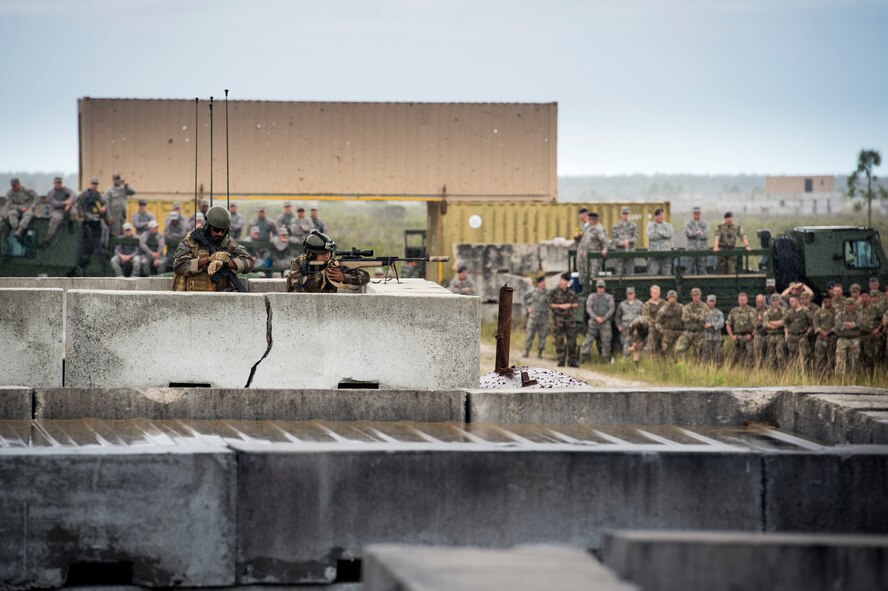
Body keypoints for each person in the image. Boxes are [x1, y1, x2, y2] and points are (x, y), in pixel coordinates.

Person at [172, 206, 255, 292]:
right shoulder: (190, 243)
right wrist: (209, 259)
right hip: (191, 298)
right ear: (207, 227)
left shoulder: (227, 244)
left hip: (219, 298)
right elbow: (179, 267)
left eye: (223, 231)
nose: (220, 234)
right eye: (216, 230)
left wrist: (225, 262)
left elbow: (249, 263)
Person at [286, 230, 370, 293]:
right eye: (323, 253)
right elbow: (299, 287)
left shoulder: (333, 263)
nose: (327, 255)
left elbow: (365, 277)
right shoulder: (299, 263)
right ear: (312, 254)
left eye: (329, 252)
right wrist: (324, 274)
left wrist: (343, 277)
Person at [75, 177, 110, 271]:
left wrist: (104, 208)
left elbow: (105, 203)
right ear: (90, 184)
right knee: (89, 238)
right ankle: (95, 249)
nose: (94, 186)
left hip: (95, 218)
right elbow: (78, 205)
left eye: (96, 184)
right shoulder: (84, 194)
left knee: (101, 231)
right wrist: (81, 216)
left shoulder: (97, 195)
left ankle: (100, 247)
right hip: (86, 219)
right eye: (93, 184)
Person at [580, 278, 615, 363]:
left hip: (605, 322)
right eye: (599, 287)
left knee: (606, 340)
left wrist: (604, 318)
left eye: (602, 287)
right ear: (596, 288)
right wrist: (596, 317)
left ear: (604, 288)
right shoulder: (592, 296)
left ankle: (605, 357)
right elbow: (588, 308)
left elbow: (612, 309)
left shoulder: (609, 297)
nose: (600, 289)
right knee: (589, 339)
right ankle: (584, 355)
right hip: (593, 321)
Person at [549, 272, 579, 367]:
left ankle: (572, 361)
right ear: (560, 281)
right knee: (559, 340)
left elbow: (577, 304)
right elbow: (550, 305)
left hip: (570, 319)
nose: (565, 283)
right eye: (563, 281)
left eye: (566, 281)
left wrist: (570, 305)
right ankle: (561, 360)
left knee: (572, 341)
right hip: (559, 319)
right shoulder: (554, 292)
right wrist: (560, 306)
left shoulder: (571, 292)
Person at [38, 176, 76, 245]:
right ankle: (48, 238)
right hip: (57, 210)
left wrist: (69, 204)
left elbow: (73, 194)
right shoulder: (51, 193)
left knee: (73, 212)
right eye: (57, 183)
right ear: (54, 183)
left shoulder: (65, 190)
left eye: (60, 183)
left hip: (67, 208)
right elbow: (54, 203)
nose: (58, 184)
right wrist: (64, 203)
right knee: (56, 219)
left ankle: (71, 225)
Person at [675, 287, 707, 360]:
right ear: (691, 296)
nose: (696, 296)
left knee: (699, 352)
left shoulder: (705, 306)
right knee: (679, 349)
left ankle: (698, 368)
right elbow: (684, 318)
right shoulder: (687, 306)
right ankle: (681, 366)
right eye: (694, 295)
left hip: (700, 333)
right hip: (688, 332)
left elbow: (703, 318)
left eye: (697, 295)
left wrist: (691, 315)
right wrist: (697, 317)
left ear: (700, 295)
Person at [725, 292, 757, 367]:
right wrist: (732, 336)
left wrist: (752, 335)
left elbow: (757, 325)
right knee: (736, 358)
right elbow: (728, 324)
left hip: (748, 338)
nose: (742, 301)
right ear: (738, 300)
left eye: (744, 300)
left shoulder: (752, 311)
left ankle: (748, 373)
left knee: (750, 357)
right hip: (737, 338)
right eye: (740, 300)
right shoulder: (734, 311)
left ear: (747, 300)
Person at [523, 276, 551, 358]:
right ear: (538, 284)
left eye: (544, 282)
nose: (544, 284)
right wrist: (527, 308)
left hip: (544, 318)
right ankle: (526, 351)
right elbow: (524, 298)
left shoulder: (548, 292)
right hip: (533, 317)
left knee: (543, 336)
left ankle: (540, 353)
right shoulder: (532, 291)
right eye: (542, 282)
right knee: (529, 335)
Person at [577, 211, 608, 284]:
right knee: (585, 273)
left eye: (591, 219)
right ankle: (586, 290)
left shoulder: (598, 229)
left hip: (595, 256)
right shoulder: (589, 228)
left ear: (595, 220)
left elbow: (605, 241)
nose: (589, 221)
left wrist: (605, 249)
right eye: (589, 219)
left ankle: (593, 289)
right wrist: (582, 250)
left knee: (594, 274)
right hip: (587, 254)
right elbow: (585, 241)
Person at [783, 294, 812, 368]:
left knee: (803, 356)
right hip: (792, 336)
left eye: (792, 301)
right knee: (792, 357)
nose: (791, 303)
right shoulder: (789, 312)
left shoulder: (805, 311)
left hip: (802, 336)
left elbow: (811, 324)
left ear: (797, 301)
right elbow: (785, 324)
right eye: (790, 302)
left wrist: (807, 333)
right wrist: (786, 334)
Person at [834, 298, 861, 376]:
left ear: (854, 305)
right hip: (842, 339)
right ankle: (840, 378)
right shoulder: (840, 314)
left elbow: (860, 324)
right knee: (840, 360)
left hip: (854, 340)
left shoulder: (858, 314)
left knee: (853, 360)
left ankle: (852, 379)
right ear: (845, 305)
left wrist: (848, 324)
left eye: (851, 304)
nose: (849, 306)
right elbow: (837, 325)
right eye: (848, 304)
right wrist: (852, 325)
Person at [615, 286, 643, 357]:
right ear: (626, 295)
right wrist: (619, 326)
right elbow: (618, 316)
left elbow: (643, 316)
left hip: (636, 328)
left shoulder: (640, 304)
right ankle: (625, 358)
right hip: (625, 327)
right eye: (628, 294)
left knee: (637, 343)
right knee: (624, 343)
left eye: (631, 294)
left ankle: (636, 358)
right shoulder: (622, 305)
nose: (630, 295)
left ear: (634, 294)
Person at [610, 206, 638, 276]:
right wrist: (621, 243)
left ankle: (630, 286)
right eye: (624, 213)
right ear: (621, 214)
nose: (625, 215)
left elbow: (636, 237)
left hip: (630, 251)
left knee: (630, 271)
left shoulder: (633, 225)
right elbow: (614, 238)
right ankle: (619, 287)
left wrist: (629, 241)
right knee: (619, 271)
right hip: (619, 251)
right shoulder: (616, 225)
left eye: (626, 214)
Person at [813, 296, 836, 376]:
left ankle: (830, 375)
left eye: (829, 301)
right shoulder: (818, 312)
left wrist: (829, 332)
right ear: (823, 302)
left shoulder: (836, 312)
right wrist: (822, 332)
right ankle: (818, 375)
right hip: (820, 338)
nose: (828, 303)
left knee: (831, 357)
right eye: (826, 302)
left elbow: (837, 325)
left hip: (832, 337)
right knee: (819, 357)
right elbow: (816, 325)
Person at [655, 290, 683, 357]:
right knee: (666, 349)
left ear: (676, 298)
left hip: (679, 332)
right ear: (668, 298)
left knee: (680, 350)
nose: (672, 299)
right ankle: (667, 363)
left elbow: (685, 320)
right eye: (670, 297)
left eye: (673, 297)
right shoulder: (664, 309)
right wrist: (662, 331)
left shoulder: (681, 308)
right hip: (668, 332)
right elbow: (657, 322)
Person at [763, 294, 787, 370]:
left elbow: (784, 322)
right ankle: (772, 373)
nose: (775, 302)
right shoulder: (767, 312)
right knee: (771, 356)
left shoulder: (784, 311)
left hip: (780, 336)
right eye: (773, 301)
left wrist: (772, 323)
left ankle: (782, 372)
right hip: (770, 336)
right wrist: (777, 324)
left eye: (776, 301)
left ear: (779, 301)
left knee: (780, 355)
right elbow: (765, 324)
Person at [646, 208, 673, 275]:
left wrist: (657, 231)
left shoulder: (668, 225)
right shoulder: (650, 225)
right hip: (654, 253)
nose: (660, 217)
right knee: (653, 273)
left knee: (666, 273)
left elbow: (669, 234)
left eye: (661, 215)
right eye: (658, 215)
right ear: (655, 216)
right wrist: (663, 235)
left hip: (666, 253)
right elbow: (651, 236)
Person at [683, 206, 709, 275]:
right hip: (691, 250)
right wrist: (699, 232)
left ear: (700, 213)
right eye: (695, 213)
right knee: (689, 270)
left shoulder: (705, 223)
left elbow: (706, 235)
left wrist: (693, 233)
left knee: (702, 270)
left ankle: (703, 285)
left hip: (702, 250)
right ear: (692, 214)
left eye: (698, 213)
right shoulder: (687, 223)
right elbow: (688, 234)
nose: (697, 215)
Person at [701, 294, 725, 363]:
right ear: (706, 302)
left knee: (717, 356)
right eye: (710, 301)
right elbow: (700, 322)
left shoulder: (719, 313)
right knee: (705, 357)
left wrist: (711, 325)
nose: (711, 303)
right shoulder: (703, 312)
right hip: (706, 337)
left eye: (713, 301)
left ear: (715, 302)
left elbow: (721, 324)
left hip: (716, 338)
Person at [642, 285, 664, 354]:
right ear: (651, 294)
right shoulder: (647, 304)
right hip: (652, 327)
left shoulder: (664, 303)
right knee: (651, 341)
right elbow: (646, 317)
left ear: (659, 293)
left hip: (663, 326)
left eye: (657, 293)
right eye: (654, 293)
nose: (655, 294)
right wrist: (655, 323)